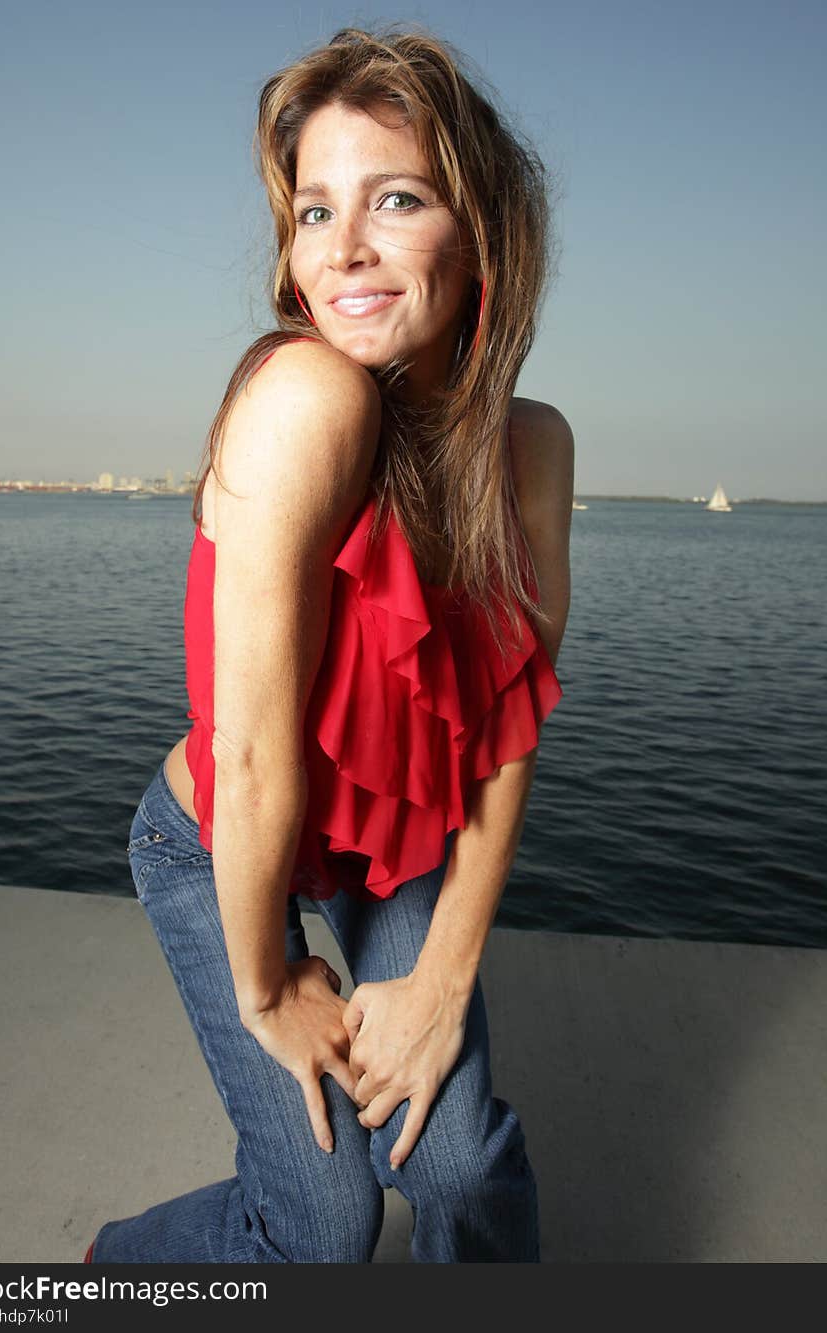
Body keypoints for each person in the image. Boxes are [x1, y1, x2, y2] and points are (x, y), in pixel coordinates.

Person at [86, 24, 573, 1265]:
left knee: (459, 1161)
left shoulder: (533, 448)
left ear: (482, 232)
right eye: (312, 211)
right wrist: (267, 985)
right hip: (220, 843)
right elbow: (249, 758)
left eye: (394, 199)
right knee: (324, 1219)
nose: (342, 248)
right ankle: (114, 1268)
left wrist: (444, 975)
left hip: (391, 845)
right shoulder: (309, 395)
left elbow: (507, 729)